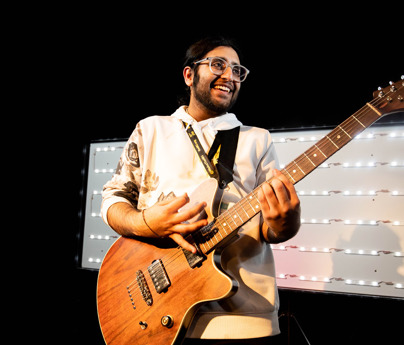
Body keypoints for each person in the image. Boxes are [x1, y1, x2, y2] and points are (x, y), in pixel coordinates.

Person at [101, 36, 301, 344]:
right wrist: (145, 223)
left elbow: (271, 230)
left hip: (243, 314)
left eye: (237, 70)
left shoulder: (258, 139)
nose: (230, 76)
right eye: (218, 65)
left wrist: (284, 222)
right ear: (189, 74)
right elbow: (114, 199)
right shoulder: (151, 129)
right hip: (156, 306)